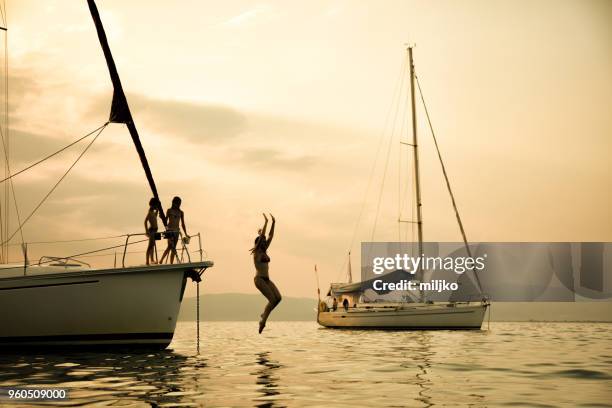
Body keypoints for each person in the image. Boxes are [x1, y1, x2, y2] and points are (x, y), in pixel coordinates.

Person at [252, 213, 281, 333]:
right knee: (272, 300)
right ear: (258, 243)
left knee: (278, 298)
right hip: (259, 280)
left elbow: (270, 236)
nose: (265, 243)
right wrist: (266, 222)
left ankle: (264, 313)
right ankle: (262, 321)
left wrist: (274, 223)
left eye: (265, 242)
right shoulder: (257, 252)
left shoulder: (264, 250)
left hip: (267, 279)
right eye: (262, 242)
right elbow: (264, 235)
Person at [160, 196, 188, 264]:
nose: (178, 204)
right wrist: (162, 217)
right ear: (173, 203)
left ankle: (171, 263)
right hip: (170, 230)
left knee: (173, 248)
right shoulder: (169, 210)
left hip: (177, 231)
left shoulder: (181, 212)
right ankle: (161, 261)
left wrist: (186, 233)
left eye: (179, 203)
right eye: (176, 203)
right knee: (170, 246)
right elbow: (165, 221)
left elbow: (183, 224)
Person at [144, 197, 160, 265]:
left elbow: (154, 218)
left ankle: (152, 259)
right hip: (152, 231)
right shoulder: (150, 212)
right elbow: (145, 221)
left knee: (152, 245)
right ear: (153, 205)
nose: (156, 207)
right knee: (150, 246)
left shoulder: (153, 212)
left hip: (155, 230)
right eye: (156, 206)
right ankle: (147, 261)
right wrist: (147, 230)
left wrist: (157, 211)